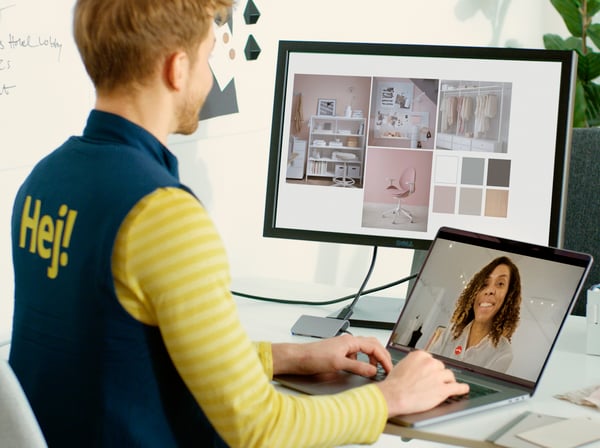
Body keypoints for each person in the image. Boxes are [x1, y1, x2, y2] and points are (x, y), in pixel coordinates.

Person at [8, 1, 469, 446]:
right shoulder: (162, 215)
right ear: (177, 68)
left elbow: (131, 352)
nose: (209, 78)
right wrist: (389, 397)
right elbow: (259, 428)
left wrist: (290, 355)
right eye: (208, 57)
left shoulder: (43, 181)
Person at [427, 256, 522, 372]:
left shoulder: (503, 352)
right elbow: (426, 368)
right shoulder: (452, 331)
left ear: (509, 297)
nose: (489, 290)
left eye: (500, 284)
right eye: (485, 284)